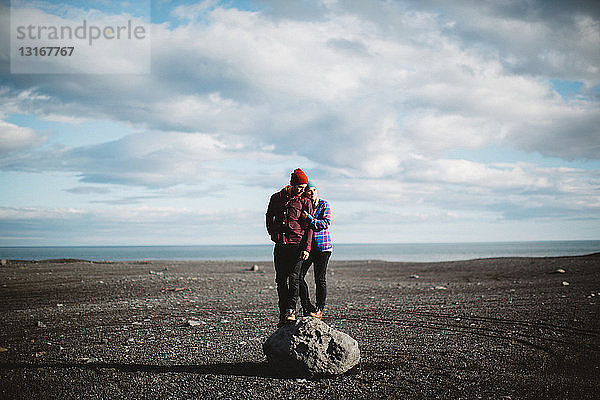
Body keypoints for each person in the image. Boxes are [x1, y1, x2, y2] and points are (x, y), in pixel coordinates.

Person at [265, 168, 314, 326]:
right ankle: (283, 312)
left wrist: (306, 248)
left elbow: (310, 227)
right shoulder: (276, 198)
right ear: (292, 184)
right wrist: (272, 232)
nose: (303, 189)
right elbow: (268, 216)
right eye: (300, 186)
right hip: (280, 244)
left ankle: (291, 311)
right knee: (280, 280)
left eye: (305, 186)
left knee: (294, 278)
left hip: (297, 245)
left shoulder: (305, 201)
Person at [299, 181, 332, 320]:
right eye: (309, 191)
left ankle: (319, 309)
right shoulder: (305, 206)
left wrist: (310, 219)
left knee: (320, 279)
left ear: (316, 191)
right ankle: (307, 306)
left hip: (323, 248)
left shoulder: (324, 205)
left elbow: (325, 223)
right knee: (298, 277)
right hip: (308, 248)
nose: (311, 193)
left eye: (313, 190)